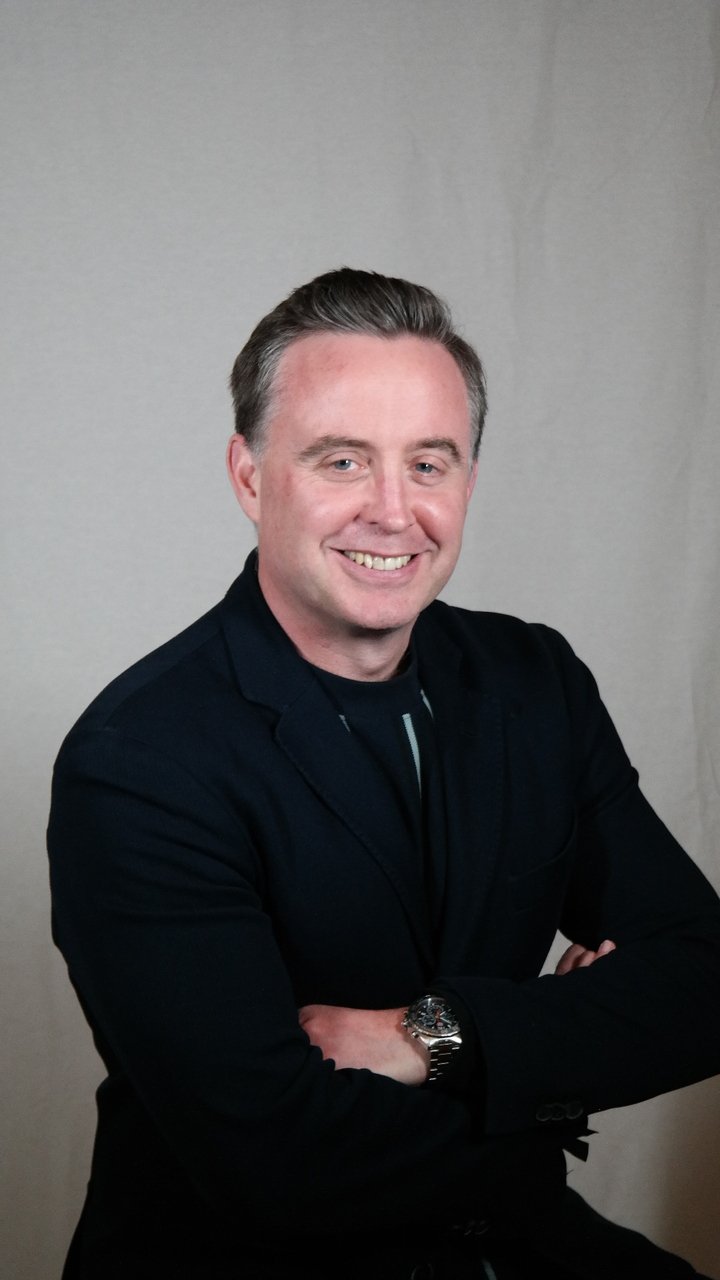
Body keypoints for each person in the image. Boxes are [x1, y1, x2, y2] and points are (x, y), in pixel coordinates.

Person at [48, 268, 720, 1280]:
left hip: (507, 1245)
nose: (394, 511)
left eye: (430, 462)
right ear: (249, 475)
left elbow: (704, 980)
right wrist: (551, 1078)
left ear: (469, 480)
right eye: (343, 460)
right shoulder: (140, 759)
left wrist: (433, 1038)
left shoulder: (532, 681)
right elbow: (278, 1158)